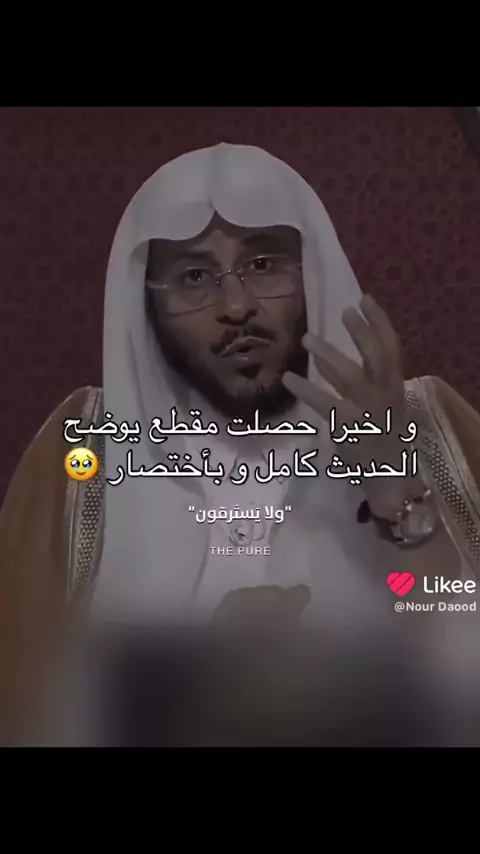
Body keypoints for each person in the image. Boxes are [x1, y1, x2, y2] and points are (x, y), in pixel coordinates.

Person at [1, 143, 480, 744]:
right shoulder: (84, 456)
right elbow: (27, 709)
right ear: (146, 305)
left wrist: (397, 495)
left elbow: (461, 678)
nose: (236, 307)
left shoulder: (425, 423)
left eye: (264, 264)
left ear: (313, 273)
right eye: (194, 277)